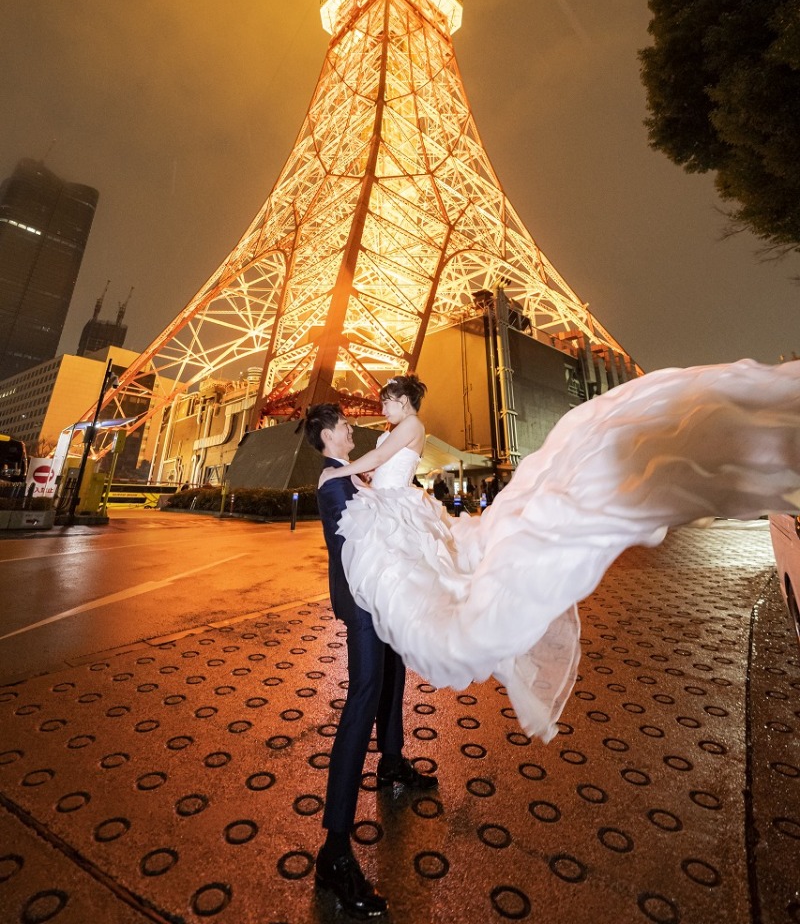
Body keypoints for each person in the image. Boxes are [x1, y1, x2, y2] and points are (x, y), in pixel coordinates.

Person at [317, 360, 800, 741]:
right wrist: (355, 476)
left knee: (428, 588)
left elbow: (382, 460)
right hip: (393, 510)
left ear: (404, 401)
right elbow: (379, 468)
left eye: (388, 400)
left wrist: (341, 470)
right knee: (414, 592)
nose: (383, 407)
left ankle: (403, 700)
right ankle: (393, 735)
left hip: (398, 512)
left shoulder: (409, 428)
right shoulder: (393, 431)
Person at [304, 403, 436, 920]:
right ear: (327, 437)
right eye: (343, 425)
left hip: (380, 600)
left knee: (396, 673)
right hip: (363, 608)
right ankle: (334, 849)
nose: (352, 427)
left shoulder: (349, 477)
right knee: (361, 701)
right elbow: (356, 550)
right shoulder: (333, 481)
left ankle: (392, 760)